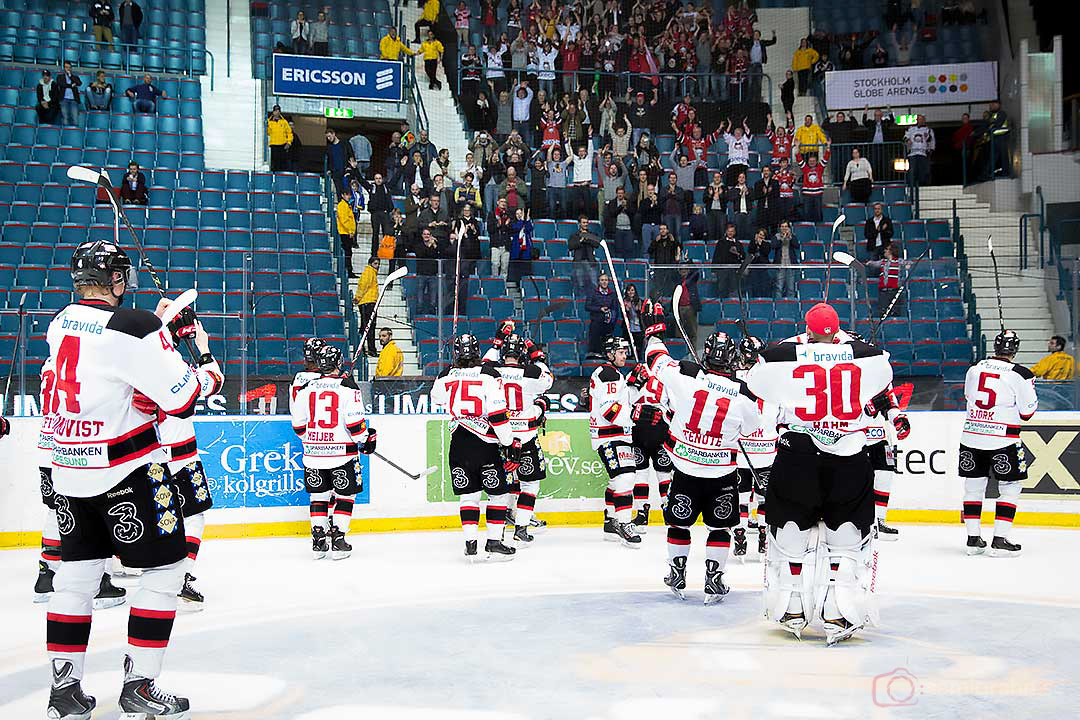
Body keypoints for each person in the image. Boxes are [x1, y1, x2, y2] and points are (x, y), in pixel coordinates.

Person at [44, 240, 211, 719]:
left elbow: (104, 376)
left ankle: (64, 692)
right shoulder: (135, 325)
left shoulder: (60, 322)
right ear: (117, 280)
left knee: (74, 579)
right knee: (166, 571)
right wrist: (181, 340)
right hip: (128, 470)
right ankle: (139, 685)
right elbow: (181, 399)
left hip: (69, 469)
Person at [745, 303, 896, 645]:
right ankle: (837, 610)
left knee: (791, 530)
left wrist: (763, 353)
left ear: (808, 330)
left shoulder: (784, 355)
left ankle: (792, 605)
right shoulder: (867, 357)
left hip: (798, 451)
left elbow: (758, 384)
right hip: (849, 454)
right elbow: (882, 376)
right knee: (845, 535)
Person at [641, 316, 759, 601]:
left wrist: (654, 333)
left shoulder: (686, 374)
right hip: (722, 472)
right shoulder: (744, 393)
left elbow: (654, 359)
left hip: (685, 468)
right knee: (720, 527)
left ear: (706, 354)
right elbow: (751, 428)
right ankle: (714, 578)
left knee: (679, 523)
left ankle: (677, 573)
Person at [33, 356, 127, 608]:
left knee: (57, 510)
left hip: (47, 445)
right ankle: (100, 580)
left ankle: (47, 574)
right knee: (98, 509)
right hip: (77, 446)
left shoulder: (50, 363)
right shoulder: (84, 360)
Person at [153, 301, 226, 609]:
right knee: (193, 517)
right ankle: (180, 578)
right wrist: (204, 347)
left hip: (147, 457)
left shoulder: (136, 361)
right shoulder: (175, 367)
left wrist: (161, 322)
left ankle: (150, 576)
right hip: (181, 457)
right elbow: (213, 380)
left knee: (160, 518)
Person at [430, 333, 521, 560]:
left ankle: (470, 543)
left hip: (459, 442)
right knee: (497, 495)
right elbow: (498, 415)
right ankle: (493, 542)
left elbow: (437, 400)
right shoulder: (490, 375)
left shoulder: (445, 375)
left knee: (468, 496)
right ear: (478, 351)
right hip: (486, 444)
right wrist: (509, 443)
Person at [291, 344, 377, 560]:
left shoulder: (306, 388)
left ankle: (318, 542)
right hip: (343, 456)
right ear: (338, 364)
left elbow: (298, 425)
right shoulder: (348, 387)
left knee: (318, 496)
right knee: (346, 495)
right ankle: (338, 540)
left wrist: (313, 442)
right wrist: (365, 440)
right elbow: (355, 424)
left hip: (312, 455)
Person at [959, 330, 1037, 557]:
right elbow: (1027, 413)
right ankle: (1000, 540)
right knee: (1010, 488)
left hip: (972, 437)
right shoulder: (1021, 374)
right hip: (1003, 439)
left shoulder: (974, 369)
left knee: (973, 488)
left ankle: (973, 540)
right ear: (1016, 349)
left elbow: (967, 396)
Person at [486, 334, 553, 542]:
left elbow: (483, 363)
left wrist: (496, 342)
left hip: (500, 436)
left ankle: (506, 516)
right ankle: (521, 528)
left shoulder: (492, 370)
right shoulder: (531, 371)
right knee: (530, 484)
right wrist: (536, 354)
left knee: (504, 482)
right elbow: (548, 379)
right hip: (525, 436)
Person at [589, 336, 643, 547]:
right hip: (611, 434)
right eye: (620, 352)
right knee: (626, 478)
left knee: (617, 479)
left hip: (613, 434)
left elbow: (621, 399)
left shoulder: (609, 373)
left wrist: (635, 385)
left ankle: (611, 521)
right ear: (610, 354)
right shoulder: (609, 374)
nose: (624, 355)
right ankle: (624, 523)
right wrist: (636, 415)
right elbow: (610, 411)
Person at [733, 336, 780, 559]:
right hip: (766, 452)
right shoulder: (772, 379)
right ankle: (763, 536)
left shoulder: (733, 380)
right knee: (764, 498)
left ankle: (740, 537)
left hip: (742, 451)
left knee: (742, 497)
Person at [585, 273, 618, 357]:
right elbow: (587, 306)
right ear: (599, 282)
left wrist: (612, 319)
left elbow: (615, 308)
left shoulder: (612, 294)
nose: (604, 282)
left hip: (608, 323)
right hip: (596, 322)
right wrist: (600, 309)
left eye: (606, 280)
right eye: (602, 280)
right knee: (595, 340)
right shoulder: (593, 293)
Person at [353, 257, 380, 356]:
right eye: (376, 263)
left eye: (378, 264)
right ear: (370, 264)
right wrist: (357, 297)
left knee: (365, 327)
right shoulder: (369, 272)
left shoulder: (370, 272)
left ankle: (362, 347)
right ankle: (370, 350)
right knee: (369, 327)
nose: (378, 266)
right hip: (368, 302)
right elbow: (363, 286)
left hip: (368, 302)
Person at [568, 215, 600, 296]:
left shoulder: (592, 234)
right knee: (580, 284)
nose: (586, 224)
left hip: (590, 262)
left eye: (587, 222)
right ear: (579, 224)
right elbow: (571, 246)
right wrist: (581, 240)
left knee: (594, 283)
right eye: (584, 222)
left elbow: (596, 244)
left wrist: (588, 238)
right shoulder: (574, 235)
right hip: (578, 263)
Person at [904, 114, 935, 190]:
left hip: (923, 153)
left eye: (921, 119)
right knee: (912, 171)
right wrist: (908, 141)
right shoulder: (911, 129)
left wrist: (930, 150)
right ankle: (911, 187)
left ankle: (922, 187)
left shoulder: (928, 130)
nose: (920, 121)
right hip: (912, 153)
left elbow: (931, 141)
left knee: (923, 172)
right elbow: (905, 137)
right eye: (919, 119)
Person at [675, 263, 701, 349]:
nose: (683, 271)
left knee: (692, 332)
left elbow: (696, 271)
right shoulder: (677, 280)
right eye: (682, 270)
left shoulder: (692, 279)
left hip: (690, 307)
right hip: (678, 308)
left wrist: (687, 261)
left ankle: (693, 352)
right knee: (679, 333)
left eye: (685, 269)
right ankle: (682, 351)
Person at [771, 220, 800, 299]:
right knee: (779, 287)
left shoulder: (792, 236)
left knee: (791, 288)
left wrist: (790, 237)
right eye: (782, 227)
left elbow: (797, 246)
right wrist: (782, 239)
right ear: (780, 228)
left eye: (786, 227)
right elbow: (773, 246)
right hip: (780, 265)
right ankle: (779, 304)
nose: (784, 228)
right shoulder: (776, 237)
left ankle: (791, 304)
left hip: (790, 265)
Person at [872, 244, 902, 318]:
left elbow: (909, 263)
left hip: (895, 291)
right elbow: (873, 264)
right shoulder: (883, 262)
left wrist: (908, 265)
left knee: (895, 312)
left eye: (887, 249)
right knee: (883, 312)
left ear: (891, 251)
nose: (885, 251)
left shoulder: (899, 262)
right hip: (884, 291)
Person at [507, 206, 533, 289]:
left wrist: (527, 219)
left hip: (525, 250)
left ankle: (526, 287)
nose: (519, 215)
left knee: (526, 270)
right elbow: (517, 228)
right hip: (517, 251)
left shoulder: (525, 223)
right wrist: (522, 220)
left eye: (520, 213)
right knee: (518, 271)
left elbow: (530, 229)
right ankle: (519, 286)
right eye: (517, 214)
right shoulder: (513, 223)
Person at [335, 191, 357, 278]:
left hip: (348, 232)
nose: (348, 196)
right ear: (342, 195)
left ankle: (349, 271)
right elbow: (344, 220)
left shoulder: (347, 205)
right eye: (347, 195)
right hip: (344, 233)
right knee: (347, 253)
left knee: (349, 253)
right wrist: (350, 231)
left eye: (349, 195)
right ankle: (347, 271)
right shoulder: (342, 205)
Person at [798, 154, 825, 222]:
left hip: (818, 194)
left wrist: (828, 147)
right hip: (807, 195)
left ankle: (818, 228)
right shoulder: (805, 169)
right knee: (807, 212)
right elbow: (799, 159)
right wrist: (797, 148)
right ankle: (808, 228)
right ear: (808, 162)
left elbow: (826, 158)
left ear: (816, 162)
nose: (812, 162)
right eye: (810, 161)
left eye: (813, 161)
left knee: (818, 212)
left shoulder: (820, 168)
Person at [266, 105, 293, 172]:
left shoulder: (284, 122)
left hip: (282, 145)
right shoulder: (269, 122)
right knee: (274, 164)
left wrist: (289, 143)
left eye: (278, 111)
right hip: (273, 145)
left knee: (282, 164)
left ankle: (281, 177)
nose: (277, 112)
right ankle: (274, 176)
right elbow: (267, 133)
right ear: (273, 112)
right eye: (275, 110)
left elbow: (289, 133)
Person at [56, 61, 82, 127]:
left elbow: (79, 83)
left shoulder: (74, 77)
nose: (68, 69)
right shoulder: (60, 77)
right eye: (66, 67)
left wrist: (70, 76)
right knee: (65, 118)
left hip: (74, 100)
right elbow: (61, 84)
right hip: (64, 99)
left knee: (75, 118)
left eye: (69, 67)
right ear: (64, 68)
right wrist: (71, 85)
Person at [325, 128, 349, 194]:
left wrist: (348, 167)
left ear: (334, 134)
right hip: (335, 172)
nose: (328, 138)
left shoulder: (344, 144)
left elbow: (350, 154)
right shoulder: (329, 147)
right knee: (339, 192)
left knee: (347, 191)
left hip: (344, 171)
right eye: (327, 137)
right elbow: (329, 159)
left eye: (329, 136)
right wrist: (329, 169)